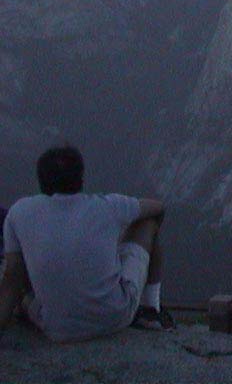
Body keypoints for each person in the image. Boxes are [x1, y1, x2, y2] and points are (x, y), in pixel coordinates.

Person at [0, 145, 174, 342]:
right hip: (114, 318)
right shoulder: (108, 206)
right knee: (147, 223)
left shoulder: (19, 212)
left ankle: (28, 309)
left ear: (41, 180)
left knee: (25, 295)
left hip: (56, 327)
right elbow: (158, 208)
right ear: (80, 179)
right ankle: (151, 309)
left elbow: (13, 276)